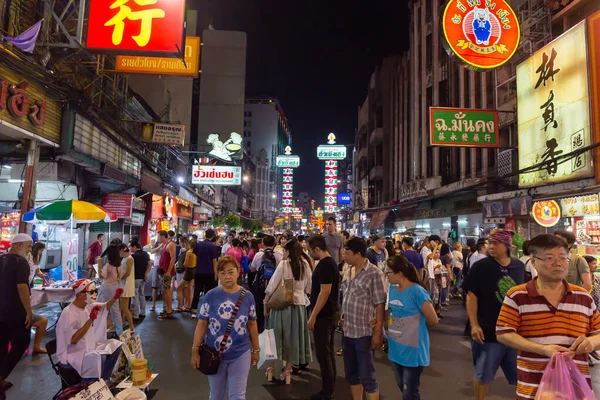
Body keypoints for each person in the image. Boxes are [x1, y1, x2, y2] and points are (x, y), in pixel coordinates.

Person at [496, 234, 600, 399]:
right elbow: (504, 333)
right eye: (549, 258)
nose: (558, 262)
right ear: (534, 262)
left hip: (576, 388)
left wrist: (589, 343)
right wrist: (542, 349)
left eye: (563, 257)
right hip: (532, 387)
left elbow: (598, 335)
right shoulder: (517, 295)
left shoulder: (583, 297)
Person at [464, 230, 524, 400]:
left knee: (521, 375)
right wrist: (474, 325)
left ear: (506, 246)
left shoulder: (518, 266)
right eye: (490, 243)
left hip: (514, 331)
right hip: (488, 331)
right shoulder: (481, 266)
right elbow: (471, 296)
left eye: (495, 243)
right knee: (483, 376)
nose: (491, 247)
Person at [191, 256, 260, 399]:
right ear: (218, 274)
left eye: (230, 272)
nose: (227, 276)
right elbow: (202, 324)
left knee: (238, 395)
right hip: (214, 354)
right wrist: (195, 350)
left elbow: (252, 324)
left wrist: (256, 349)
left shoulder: (248, 296)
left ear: (238, 272)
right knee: (216, 395)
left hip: (241, 353)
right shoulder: (210, 296)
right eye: (222, 273)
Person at [385, 255, 439, 400]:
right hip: (395, 348)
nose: (386, 275)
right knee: (402, 386)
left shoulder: (417, 291)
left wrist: (414, 327)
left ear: (399, 273)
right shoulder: (392, 289)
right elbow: (390, 313)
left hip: (412, 351)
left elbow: (433, 319)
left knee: (410, 393)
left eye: (388, 272)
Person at [340, 237, 386, 400]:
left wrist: (378, 332)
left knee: (367, 376)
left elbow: (380, 304)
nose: (343, 256)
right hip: (347, 330)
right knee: (351, 374)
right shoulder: (347, 268)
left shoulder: (374, 273)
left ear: (358, 254)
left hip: (364, 332)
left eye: (346, 253)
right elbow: (346, 294)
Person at [264, 240, 313, 384]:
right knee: (293, 339)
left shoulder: (284, 264)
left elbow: (273, 284)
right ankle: (287, 372)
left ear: (289, 252)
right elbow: (309, 288)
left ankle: (271, 369)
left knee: (275, 337)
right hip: (299, 307)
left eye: (284, 251)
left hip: (281, 306)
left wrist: (266, 301)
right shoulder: (306, 266)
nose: (283, 254)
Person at [56, 279, 124, 382]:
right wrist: (90, 320)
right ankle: (88, 387)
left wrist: (115, 298)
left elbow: (104, 308)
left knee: (116, 345)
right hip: (73, 354)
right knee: (98, 358)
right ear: (80, 294)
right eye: (91, 292)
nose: (95, 294)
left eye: (95, 291)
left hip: (88, 347)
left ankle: (104, 380)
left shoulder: (86, 306)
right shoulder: (69, 313)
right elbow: (73, 340)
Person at [307, 235, 340, 400]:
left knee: (323, 354)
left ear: (317, 249)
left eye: (310, 250)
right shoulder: (328, 263)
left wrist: (313, 316)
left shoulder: (326, 265)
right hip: (329, 314)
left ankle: (327, 392)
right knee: (327, 352)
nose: (309, 252)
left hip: (324, 316)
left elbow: (325, 292)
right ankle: (329, 387)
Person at [0, 234, 33, 393]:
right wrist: (28, 311)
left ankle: (2, 380)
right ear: (19, 245)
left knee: (1, 345)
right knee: (22, 342)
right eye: (28, 247)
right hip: (15, 311)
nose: (29, 251)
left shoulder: (1, 259)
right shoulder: (21, 262)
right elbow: (22, 287)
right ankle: (1, 377)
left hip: (1, 310)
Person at [250, 235, 280, 332]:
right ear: (274, 243)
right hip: (273, 286)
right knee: (271, 308)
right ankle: (271, 330)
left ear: (263, 243)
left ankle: (259, 331)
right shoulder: (278, 256)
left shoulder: (258, 255)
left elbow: (252, 269)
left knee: (258, 308)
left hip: (259, 286)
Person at [97, 245, 124, 335]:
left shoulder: (108, 265)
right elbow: (120, 277)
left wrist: (99, 264)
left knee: (98, 307)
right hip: (115, 287)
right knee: (115, 310)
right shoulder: (119, 265)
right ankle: (120, 332)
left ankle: (96, 329)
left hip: (106, 288)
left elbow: (101, 276)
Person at [192, 229, 219, 316]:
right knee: (208, 292)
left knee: (197, 290)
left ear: (205, 235)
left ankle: (194, 309)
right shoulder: (213, 246)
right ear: (212, 236)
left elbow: (195, 257)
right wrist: (216, 273)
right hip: (209, 272)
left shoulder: (198, 245)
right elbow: (214, 261)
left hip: (199, 271)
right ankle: (207, 309)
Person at [27, 242, 48, 354]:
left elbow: (37, 270)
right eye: (41, 250)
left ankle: (35, 346)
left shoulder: (36, 259)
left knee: (29, 308)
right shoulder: (29, 256)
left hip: (28, 284)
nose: (41, 252)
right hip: (24, 284)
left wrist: (44, 277)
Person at [157, 230, 177, 320]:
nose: (157, 238)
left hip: (167, 272)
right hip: (163, 271)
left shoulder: (170, 244)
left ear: (162, 236)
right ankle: (166, 309)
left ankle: (169, 310)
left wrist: (168, 271)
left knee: (167, 289)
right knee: (165, 290)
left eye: (158, 236)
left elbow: (173, 258)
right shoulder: (164, 245)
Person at [129, 241, 151, 320]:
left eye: (130, 247)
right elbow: (149, 265)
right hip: (143, 278)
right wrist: (145, 274)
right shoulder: (145, 254)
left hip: (135, 278)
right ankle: (143, 312)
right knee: (142, 295)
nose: (130, 248)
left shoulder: (133, 256)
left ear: (134, 247)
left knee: (135, 296)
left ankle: (135, 315)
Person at [176, 239, 197, 312]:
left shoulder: (189, 252)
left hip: (188, 271)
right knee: (189, 289)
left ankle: (180, 306)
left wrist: (183, 264)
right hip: (194, 270)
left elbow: (185, 264)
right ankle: (188, 306)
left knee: (179, 288)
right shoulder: (196, 252)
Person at [118, 243, 135, 332]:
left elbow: (127, 273)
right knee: (121, 308)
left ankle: (132, 327)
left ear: (121, 250)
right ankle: (121, 325)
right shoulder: (124, 259)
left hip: (127, 285)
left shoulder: (129, 258)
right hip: (123, 284)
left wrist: (118, 278)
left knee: (124, 308)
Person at [149, 239, 163, 312]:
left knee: (164, 287)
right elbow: (152, 251)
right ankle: (153, 305)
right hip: (156, 264)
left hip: (163, 265)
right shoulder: (157, 243)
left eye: (159, 236)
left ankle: (165, 306)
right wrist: (159, 246)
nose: (158, 238)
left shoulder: (168, 244)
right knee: (154, 286)